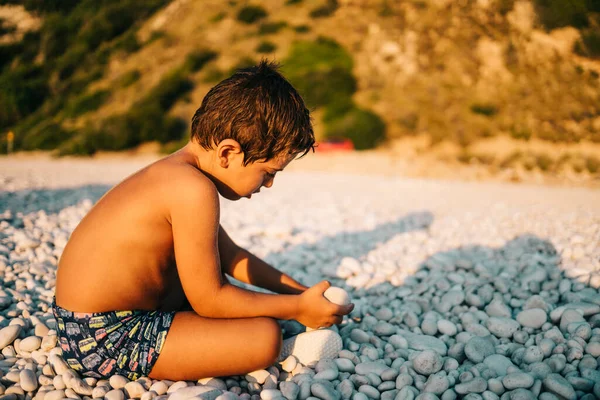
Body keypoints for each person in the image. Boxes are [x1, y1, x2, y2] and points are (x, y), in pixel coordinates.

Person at [53, 59, 354, 381]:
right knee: (265, 335)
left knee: (246, 304)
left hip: (91, 319)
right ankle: (284, 353)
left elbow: (232, 256)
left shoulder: (177, 173)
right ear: (227, 153)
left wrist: (300, 294)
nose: (268, 185)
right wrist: (295, 309)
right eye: (267, 173)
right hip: (102, 337)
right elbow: (211, 300)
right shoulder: (192, 189)